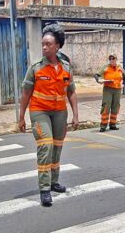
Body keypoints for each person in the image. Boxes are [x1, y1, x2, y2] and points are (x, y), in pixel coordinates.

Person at [18, 24, 79, 207]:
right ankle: (44, 189)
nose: (44, 47)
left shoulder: (66, 68)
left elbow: (72, 92)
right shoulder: (36, 68)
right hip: (39, 111)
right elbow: (25, 95)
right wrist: (21, 117)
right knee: (46, 146)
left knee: (57, 147)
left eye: (48, 44)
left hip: (60, 112)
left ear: (58, 46)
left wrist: (76, 115)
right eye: (43, 44)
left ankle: (54, 182)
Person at [94, 54, 125, 132]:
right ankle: (103, 126)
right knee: (106, 106)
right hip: (108, 89)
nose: (112, 60)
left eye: (113, 59)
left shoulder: (119, 67)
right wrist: (98, 80)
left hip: (117, 90)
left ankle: (113, 124)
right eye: (110, 59)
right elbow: (96, 75)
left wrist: (124, 83)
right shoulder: (106, 67)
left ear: (116, 59)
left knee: (115, 106)